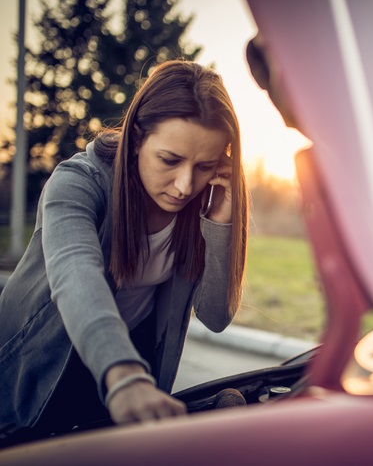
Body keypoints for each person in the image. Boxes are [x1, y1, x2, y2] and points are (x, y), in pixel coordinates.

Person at [0, 60, 248, 436]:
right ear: (136, 137)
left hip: (123, 384)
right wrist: (124, 374)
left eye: (205, 166)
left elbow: (215, 316)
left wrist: (220, 222)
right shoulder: (77, 183)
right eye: (170, 160)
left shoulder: (204, 203)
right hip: (40, 377)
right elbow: (76, 276)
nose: (184, 185)